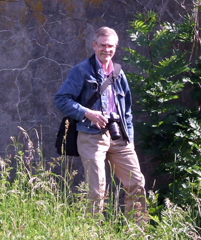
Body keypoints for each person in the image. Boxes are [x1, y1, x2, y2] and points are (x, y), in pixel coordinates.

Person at [54, 26, 147, 221]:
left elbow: (127, 110)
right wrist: (88, 113)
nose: (107, 49)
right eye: (103, 45)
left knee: (136, 184)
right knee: (97, 190)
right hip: (90, 135)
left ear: (116, 47)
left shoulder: (119, 73)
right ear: (94, 45)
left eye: (111, 46)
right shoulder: (81, 70)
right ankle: (92, 231)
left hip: (119, 135)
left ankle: (137, 230)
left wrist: (129, 138)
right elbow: (61, 99)